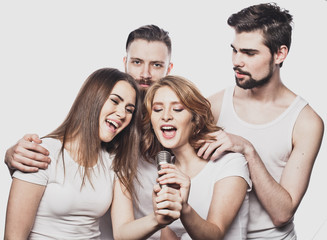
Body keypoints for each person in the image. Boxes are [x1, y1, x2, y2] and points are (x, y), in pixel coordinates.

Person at [4, 24, 175, 240]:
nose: (145, 73)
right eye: (137, 62)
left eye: (157, 65)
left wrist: (233, 141)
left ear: (168, 69)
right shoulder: (45, 153)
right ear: (125, 63)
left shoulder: (172, 126)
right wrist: (12, 154)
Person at [197, 3, 324, 239]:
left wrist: (247, 149)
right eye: (234, 50)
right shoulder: (212, 106)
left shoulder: (306, 122)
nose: (237, 61)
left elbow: (282, 213)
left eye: (249, 53)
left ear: (280, 54)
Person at [142, 75, 251, 239]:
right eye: (157, 109)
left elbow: (215, 234)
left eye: (177, 109)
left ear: (196, 120)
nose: (165, 116)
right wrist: (161, 219)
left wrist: (184, 208)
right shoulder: (166, 170)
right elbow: (169, 235)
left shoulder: (229, 163)